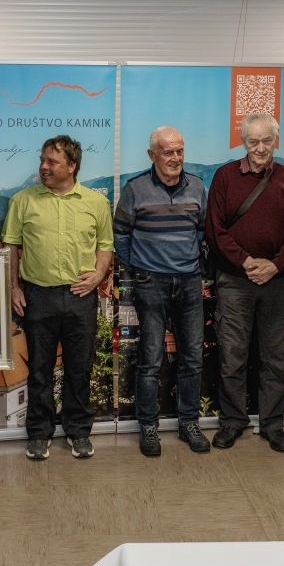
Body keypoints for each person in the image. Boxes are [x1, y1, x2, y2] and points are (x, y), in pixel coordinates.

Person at [2, 135, 114, 460]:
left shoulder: (95, 202)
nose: (44, 167)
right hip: (38, 296)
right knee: (40, 368)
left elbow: (105, 245)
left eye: (52, 161)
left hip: (81, 296)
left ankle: (79, 431)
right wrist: (14, 287)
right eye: (42, 160)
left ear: (72, 165)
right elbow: (10, 246)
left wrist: (98, 274)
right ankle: (39, 433)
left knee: (80, 367)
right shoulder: (23, 201)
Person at [205, 112, 284, 453]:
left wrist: (275, 264)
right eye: (253, 141)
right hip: (235, 281)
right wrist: (246, 261)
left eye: (266, 141)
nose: (260, 148)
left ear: (275, 141)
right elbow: (215, 230)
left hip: (278, 282)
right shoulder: (225, 177)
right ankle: (232, 422)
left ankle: (273, 424)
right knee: (232, 355)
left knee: (276, 358)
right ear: (244, 142)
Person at [114, 126, 210, 457]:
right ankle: (148, 426)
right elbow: (121, 234)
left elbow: (202, 231)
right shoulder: (135, 188)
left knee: (192, 357)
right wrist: (139, 268)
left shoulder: (197, 186)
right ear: (152, 154)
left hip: (189, 281)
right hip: (150, 282)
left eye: (180, 151)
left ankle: (189, 423)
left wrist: (192, 264)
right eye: (168, 152)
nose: (175, 158)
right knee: (151, 357)